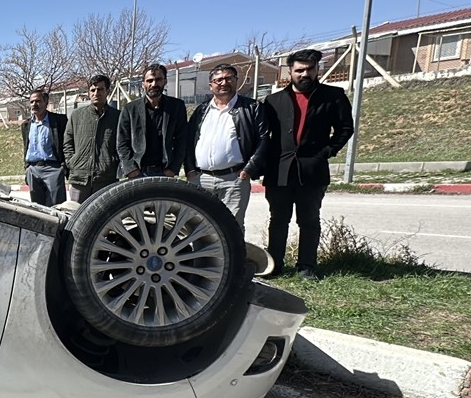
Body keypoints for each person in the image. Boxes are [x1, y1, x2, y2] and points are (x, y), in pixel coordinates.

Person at [261, 49, 355, 280]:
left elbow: (345, 128)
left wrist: (327, 151)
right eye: (299, 70)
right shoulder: (274, 101)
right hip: (280, 171)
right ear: (290, 72)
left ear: (317, 70)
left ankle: (306, 267)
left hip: (312, 170)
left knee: (309, 220)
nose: (304, 74)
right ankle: (275, 264)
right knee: (278, 220)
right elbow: (264, 136)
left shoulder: (333, 96)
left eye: (309, 70)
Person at [184, 63, 270, 227]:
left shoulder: (252, 108)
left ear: (236, 81)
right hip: (201, 179)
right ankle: (204, 254)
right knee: (197, 226)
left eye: (228, 78)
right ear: (211, 85)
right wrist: (189, 169)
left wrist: (249, 169)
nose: (224, 83)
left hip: (234, 180)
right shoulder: (202, 110)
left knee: (232, 227)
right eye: (218, 80)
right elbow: (188, 141)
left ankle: (234, 254)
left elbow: (263, 139)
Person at [117, 63, 187, 179]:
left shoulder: (176, 107)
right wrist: (130, 169)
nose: (154, 84)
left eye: (158, 79)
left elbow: (182, 139)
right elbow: (122, 143)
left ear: (165, 81)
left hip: (165, 171)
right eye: (150, 80)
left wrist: (173, 168)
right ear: (143, 84)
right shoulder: (130, 109)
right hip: (138, 171)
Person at [62, 75, 120, 202]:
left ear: (107, 92)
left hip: (106, 179)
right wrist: (72, 162)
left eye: (100, 89)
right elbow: (68, 142)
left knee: (106, 217)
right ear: (89, 93)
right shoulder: (77, 115)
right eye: (93, 90)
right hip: (80, 178)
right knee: (77, 216)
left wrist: (113, 163)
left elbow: (122, 144)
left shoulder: (117, 117)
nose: (96, 93)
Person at [21, 88, 68, 206]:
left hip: (53, 169)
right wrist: (27, 168)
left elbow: (67, 144)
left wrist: (64, 166)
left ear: (45, 102)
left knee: (57, 208)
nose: (34, 104)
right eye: (31, 102)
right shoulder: (26, 125)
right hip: (33, 170)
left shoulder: (59, 121)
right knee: (38, 209)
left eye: (38, 101)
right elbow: (26, 146)